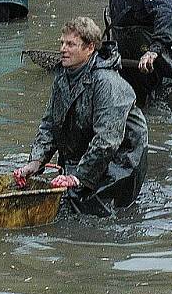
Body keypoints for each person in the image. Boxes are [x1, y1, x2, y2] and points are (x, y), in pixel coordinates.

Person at [13, 16, 149, 217]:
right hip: (87, 152)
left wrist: (78, 177)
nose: (62, 49)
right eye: (61, 43)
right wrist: (36, 162)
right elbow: (50, 125)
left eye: (71, 44)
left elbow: (107, 140)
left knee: (97, 215)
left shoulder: (108, 83)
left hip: (122, 160)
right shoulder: (62, 78)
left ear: (89, 48)